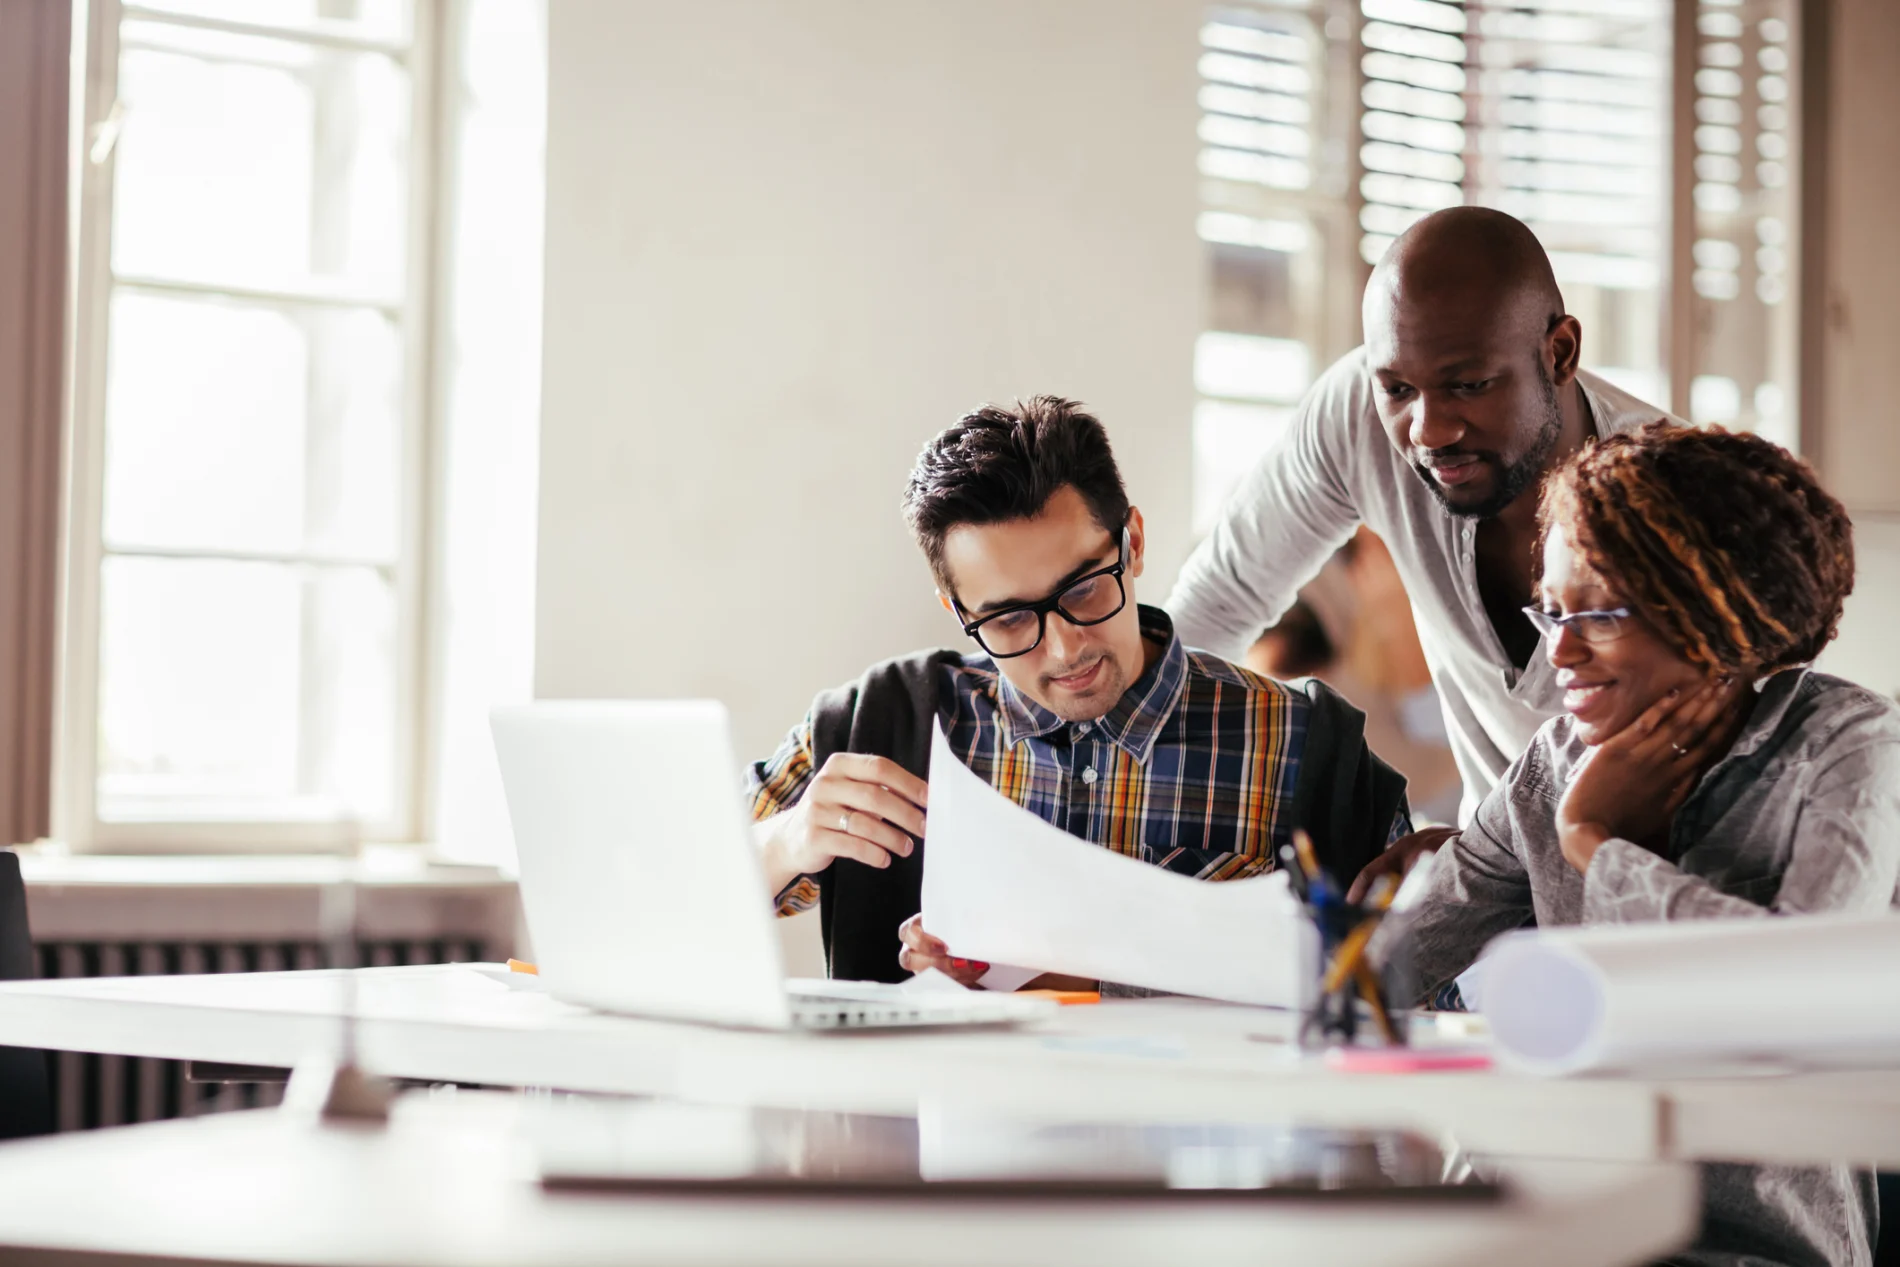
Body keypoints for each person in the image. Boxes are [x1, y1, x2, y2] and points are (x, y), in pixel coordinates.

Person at [1387, 422, 1897, 1267]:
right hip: (1540, 1224)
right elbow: (1390, 963)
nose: (1561, 651)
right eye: (1551, 610)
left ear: (1720, 612)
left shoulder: (1846, 748)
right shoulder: (1552, 764)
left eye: (1603, 614)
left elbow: (1802, 992)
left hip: (1743, 1247)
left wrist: (1598, 844)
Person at [746, 396, 1409, 986]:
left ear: (1134, 542)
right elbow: (669, 903)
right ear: (958, 610)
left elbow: (1421, 985)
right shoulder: (879, 722)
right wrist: (783, 842)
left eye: (1084, 588)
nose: (1065, 648)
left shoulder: (1308, 748)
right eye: (1007, 618)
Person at [1169, 206, 1683, 821]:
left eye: (1469, 385)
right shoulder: (1357, 416)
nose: (1429, 431)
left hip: (1655, 890)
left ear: (1560, 352)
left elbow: (1736, 789)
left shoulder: (1681, 500)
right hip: (1491, 877)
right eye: (1398, 389)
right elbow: (1215, 607)